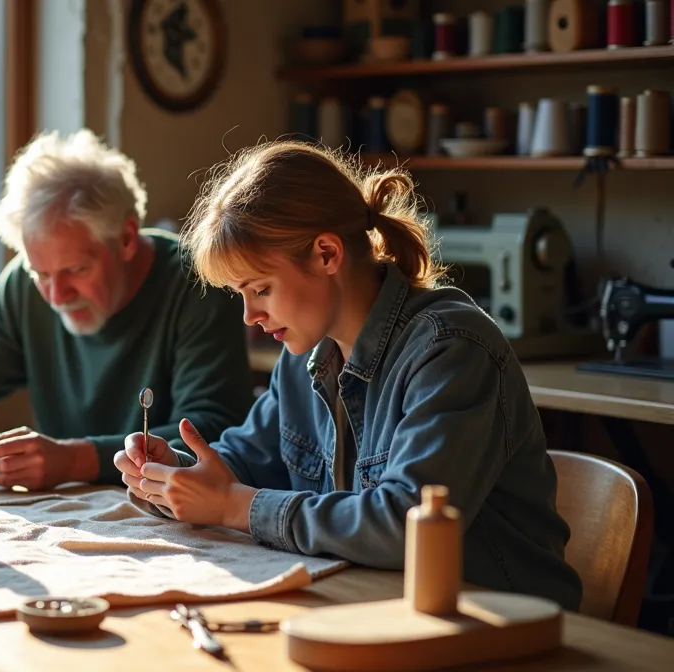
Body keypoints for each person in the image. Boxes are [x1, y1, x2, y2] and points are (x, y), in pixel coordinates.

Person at [115, 141, 582, 610]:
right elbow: (249, 461)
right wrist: (174, 474)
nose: (249, 315)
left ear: (325, 254)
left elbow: (405, 525)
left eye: (260, 289)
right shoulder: (305, 354)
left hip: (498, 628)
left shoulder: (452, 349)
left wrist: (235, 506)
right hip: (372, 606)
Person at [0, 129, 254, 491]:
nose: (56, 295)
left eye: (76, 270)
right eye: (40, 273)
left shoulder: (199, 284)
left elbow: (216, 432)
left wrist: (73, 460)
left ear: (126, 237)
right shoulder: (22, 286)